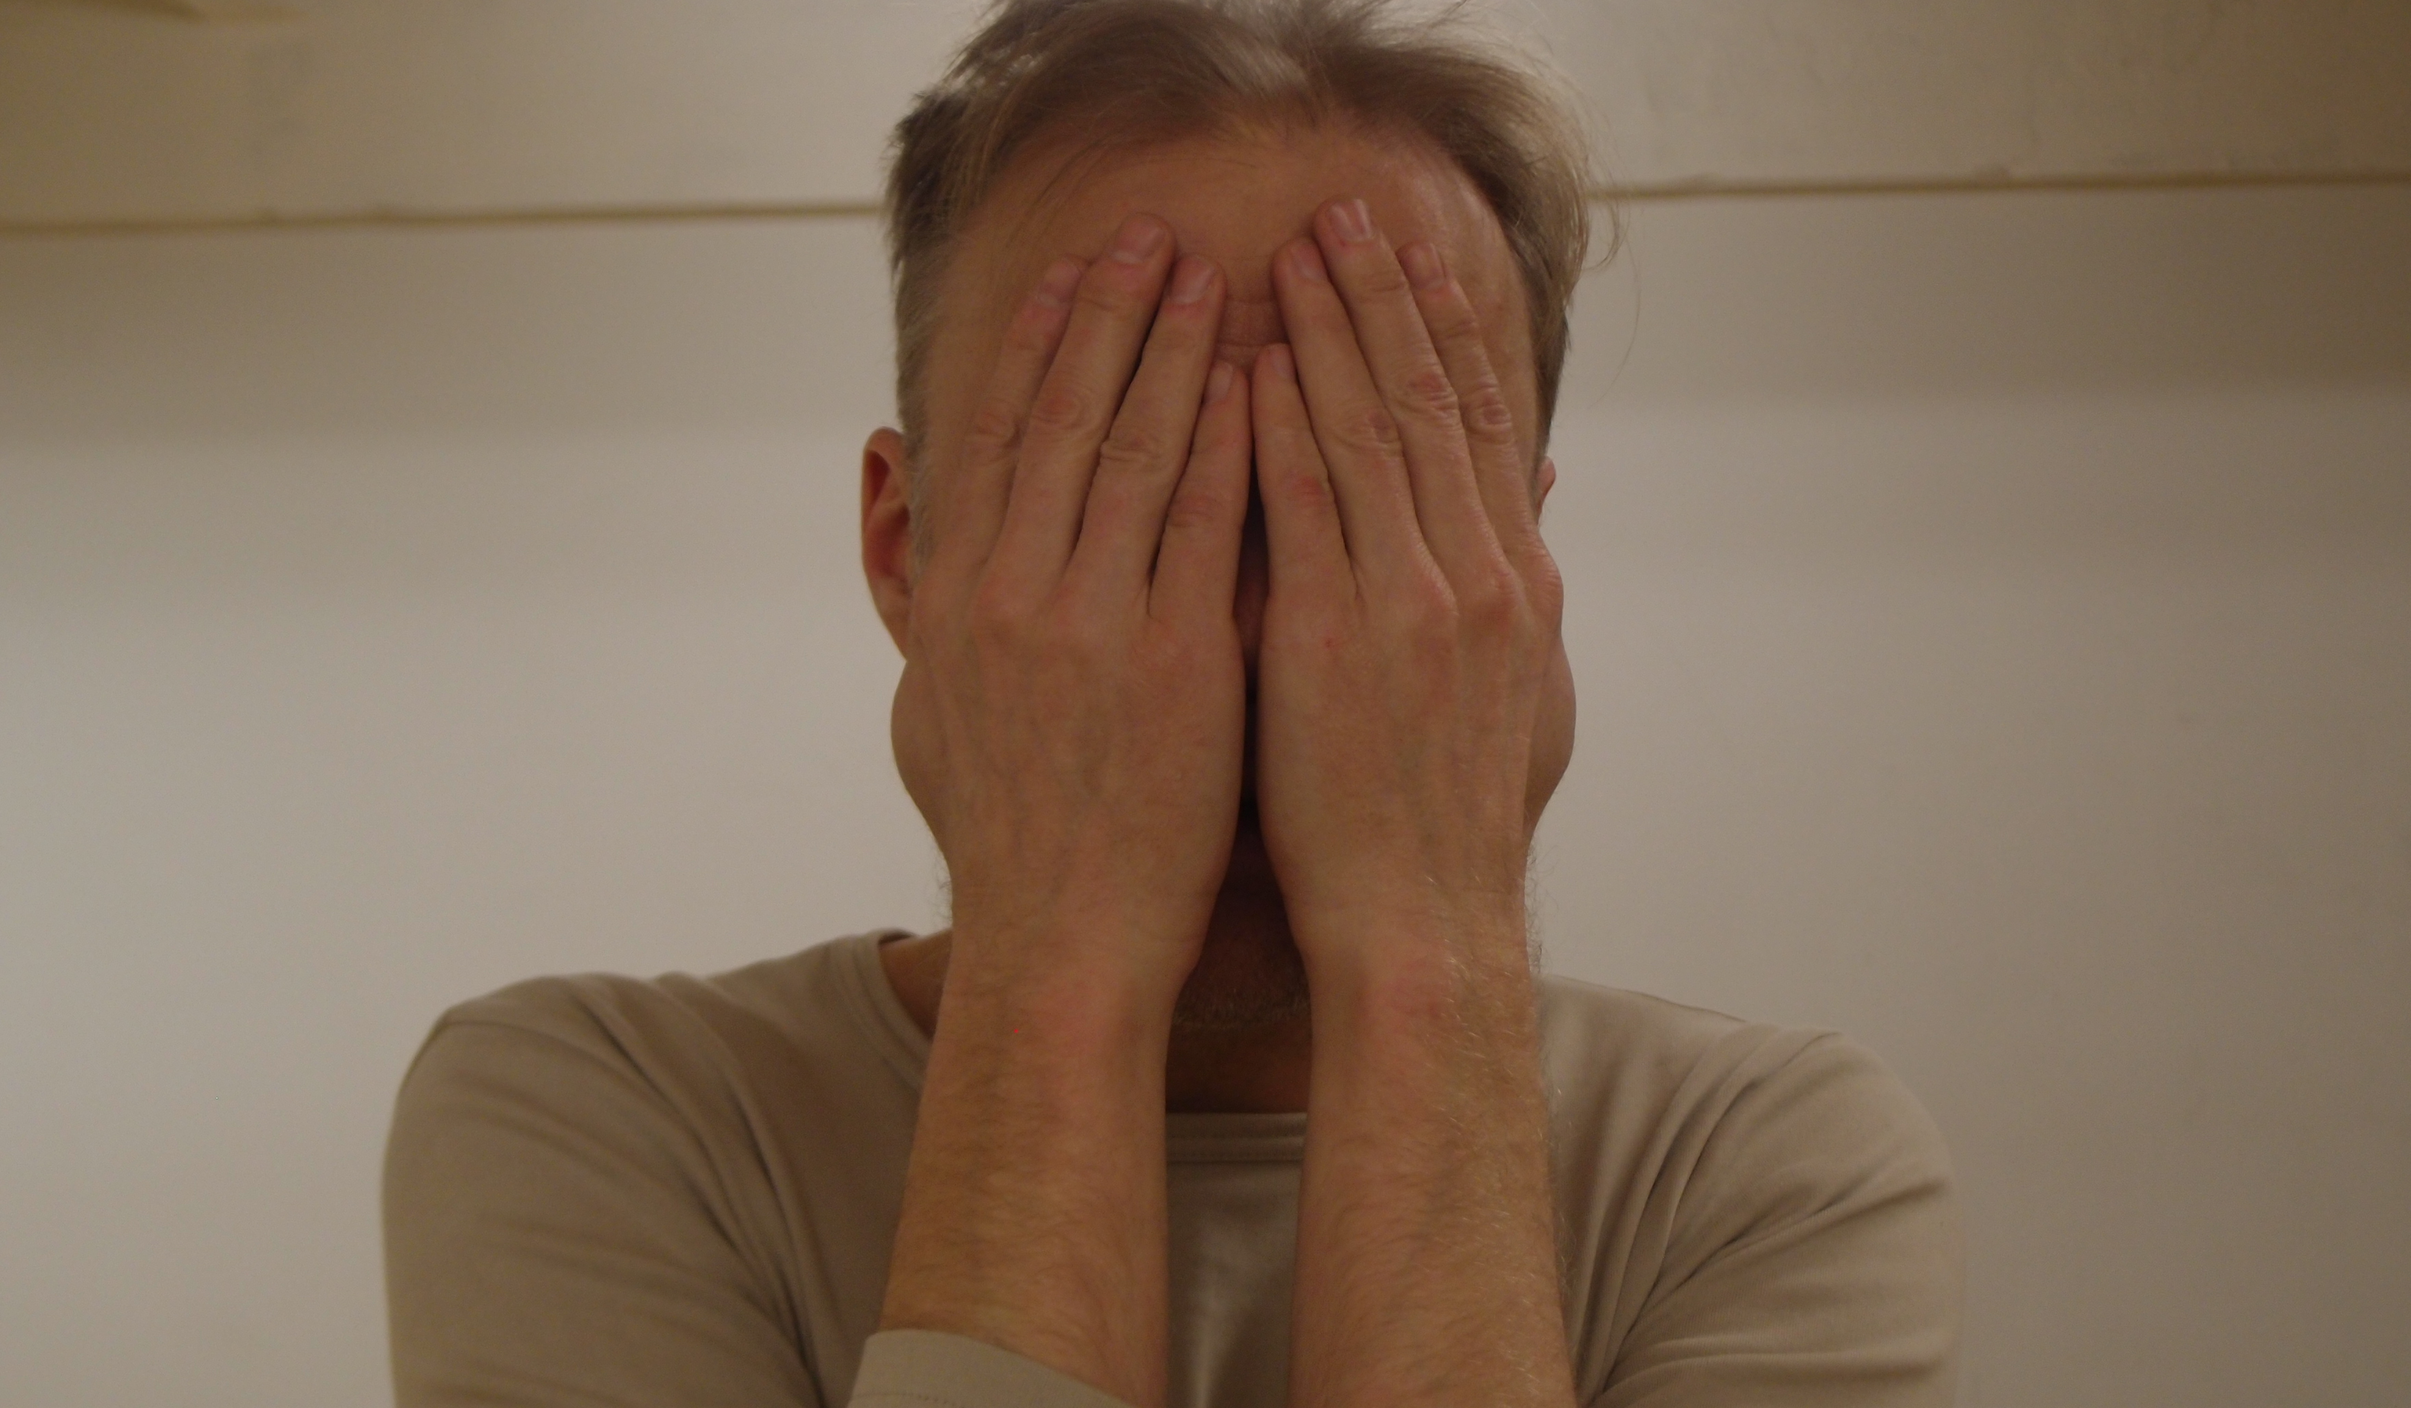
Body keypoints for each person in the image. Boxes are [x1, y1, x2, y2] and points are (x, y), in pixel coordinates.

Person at [381, 3, 1964, 1406]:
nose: (1246, 645)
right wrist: (1062, 959)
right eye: (1114, 504)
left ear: (1517, 580)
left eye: (1366, 508)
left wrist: (1423, 943)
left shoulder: (1762, 1169)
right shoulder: (600, 1118)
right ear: (905, 554)